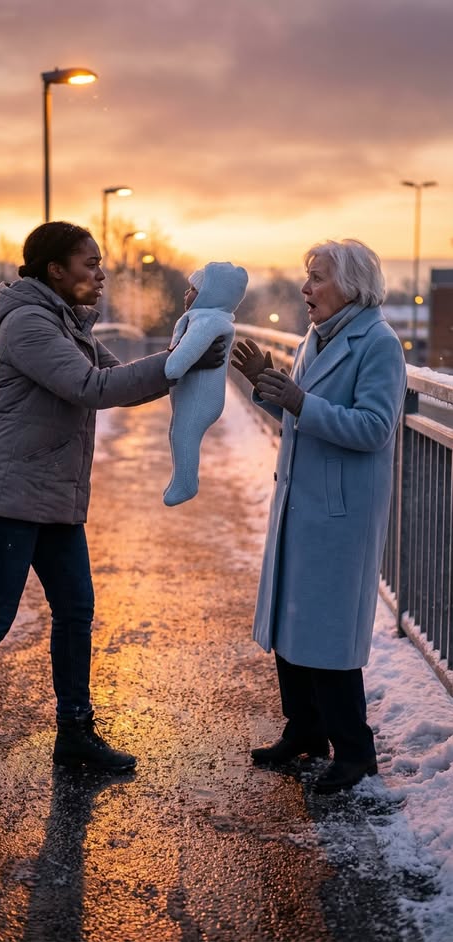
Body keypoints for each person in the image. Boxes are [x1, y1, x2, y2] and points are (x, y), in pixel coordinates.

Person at [0, 221, 225, 800]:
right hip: (10, 494)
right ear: (53, 270)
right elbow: (90, 386)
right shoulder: (29, 323)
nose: (101, 273)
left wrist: (184, 354)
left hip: (53, 495)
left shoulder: (66, 322)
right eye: (88, 264)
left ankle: (74, 733)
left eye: (100, 263)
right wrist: (177, 360)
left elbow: (122, 382)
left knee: (76, 609)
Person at [231, 238, 407, 794]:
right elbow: (298, 410)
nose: (305, 288)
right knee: (293, 620)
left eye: (317, 278)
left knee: (327, 634)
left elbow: (374, 428)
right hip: (301, 502)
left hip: (340, 510)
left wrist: (300, 400)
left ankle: (355, 752)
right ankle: (304, 732)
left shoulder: (378, 343)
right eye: (307, 277)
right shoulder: (319, 335)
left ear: (352, 286)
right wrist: (268, 385)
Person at [163, 262, 248, 506]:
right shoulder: (204, 319)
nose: (185, 294)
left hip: (202, 398)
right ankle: (181, 479)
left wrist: (170, 358)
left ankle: (186, 484)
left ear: (210, 295)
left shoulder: (208, 322)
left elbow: (175, 365)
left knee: (183, 435)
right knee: (177, 433)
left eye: (192, 289)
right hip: (195, 396)